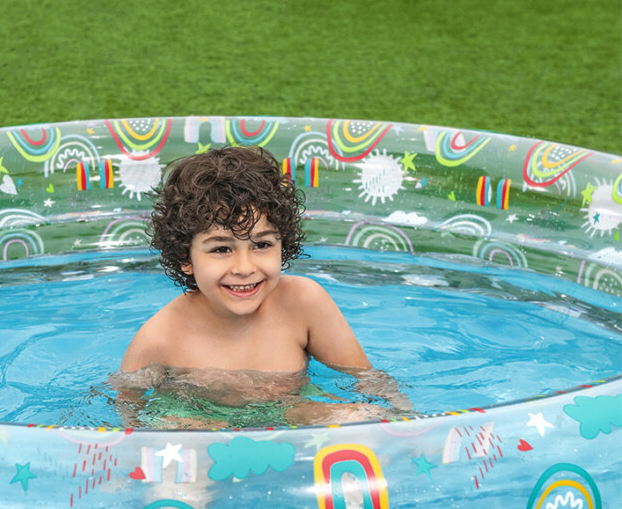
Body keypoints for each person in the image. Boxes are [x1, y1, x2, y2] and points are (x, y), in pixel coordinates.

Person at [116, 146, 409, 425]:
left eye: (262, 245)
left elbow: (368, 380)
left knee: (359, 416)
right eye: (221, 249)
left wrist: (405, 420)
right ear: (185, 258)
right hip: (199, 423)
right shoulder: (159, 339)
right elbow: (126, 412)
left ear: (283, 244)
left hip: (291, 412)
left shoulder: (304, 303)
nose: (245, 268)